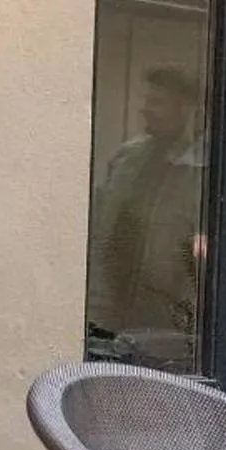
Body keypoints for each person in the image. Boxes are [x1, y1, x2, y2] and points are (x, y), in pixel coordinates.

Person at [87, 65, 207, 358]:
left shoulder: (204, 172)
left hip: (168, 326)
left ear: (187, 109)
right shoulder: (128, 158)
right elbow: (103, 231)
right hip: (110, 313)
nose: (146, 110)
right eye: (146, 100)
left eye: (158, 102)